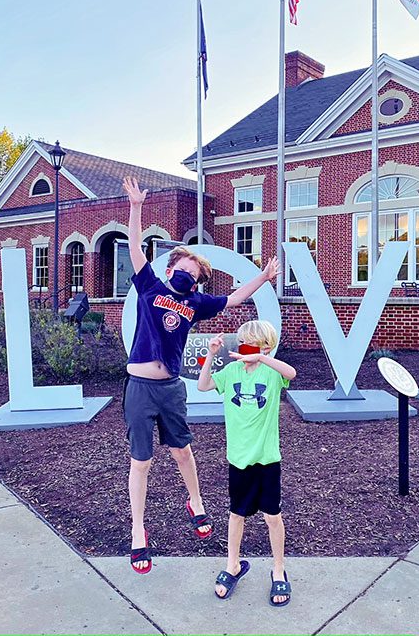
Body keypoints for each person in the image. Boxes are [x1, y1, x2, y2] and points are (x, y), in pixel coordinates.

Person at [122, 176, 281, 574]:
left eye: (194, 273)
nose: (187, 276)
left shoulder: (196, 303)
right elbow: (136, 248)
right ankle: (139, 532)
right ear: (171, 266)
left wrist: (262, 278)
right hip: (140, 387)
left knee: (182, 451)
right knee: (141, 462)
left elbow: (233, 298)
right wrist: (137, 207)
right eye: (183, 267)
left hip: (172, 388)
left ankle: (196, 502)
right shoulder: (148, 286)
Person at [198, 320, 296, 606]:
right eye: (241, 341)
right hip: (239, 459)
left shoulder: (272, 372)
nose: (243, 346)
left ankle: (278, 570)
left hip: (267, 458)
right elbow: (204, 385)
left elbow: (291, 372)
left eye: (249, 342)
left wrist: (262, 358)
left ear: (264, 345)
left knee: (272, 517)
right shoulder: (231, 372)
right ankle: (233, 565)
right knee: (236, 514)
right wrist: (212, 354)